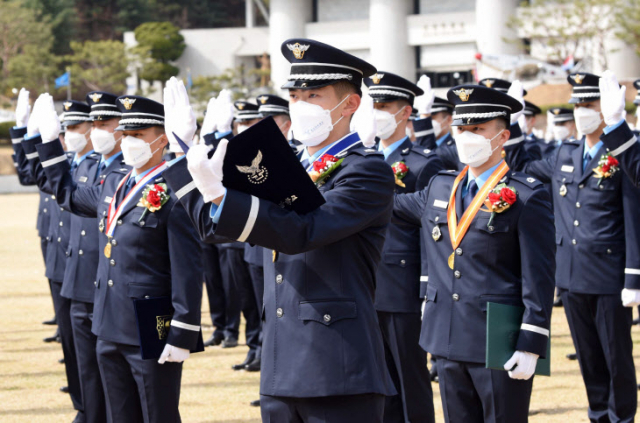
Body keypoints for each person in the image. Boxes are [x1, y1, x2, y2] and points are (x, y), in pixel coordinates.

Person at [164, 38, 396, 422]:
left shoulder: (366, 171)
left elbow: (302, 231)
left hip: (338, 368)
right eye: (295, 95)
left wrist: (220, 195)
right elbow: (211, 227)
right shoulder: (283, 162)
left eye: (315, 95)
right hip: (280, 365)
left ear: (350, 104)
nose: (301, 105)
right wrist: (183, 152)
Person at [33, 82, 204, 423]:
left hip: (150, 322)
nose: (129, 142)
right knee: (119, 414)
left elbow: (188, 267)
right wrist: (50, 144)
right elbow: (66, 194)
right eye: (126, 134)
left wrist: (184, 330)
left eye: (139, 134)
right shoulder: (115, 181)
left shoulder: (176, 190)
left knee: (157, 413)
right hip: (108, 321)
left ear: (162, 138)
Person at [393, 83, 555, 423]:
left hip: (497, 338)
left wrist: (532, 342)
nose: (468, 136)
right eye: (462, 128)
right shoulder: (440, 185)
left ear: (502, 136)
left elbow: (538, 277)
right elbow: (383, 206)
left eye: (478, 129)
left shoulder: (525, 196)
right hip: (446, 337)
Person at [504, 72, 640, 423]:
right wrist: (514, 123)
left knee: (616, 358)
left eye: (589, 104)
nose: (581, 111)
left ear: (604, 106)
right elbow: (518, 169)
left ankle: (621, 417)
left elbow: (633, 214)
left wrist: (634, 276)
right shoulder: (564, 152)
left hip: (609, 274)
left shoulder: (623, 151)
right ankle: (598, 414)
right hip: (570, 274)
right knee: (589, 358)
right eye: (577, 104)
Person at [365, 71, 442, 423]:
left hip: (402, 285)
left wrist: (427, 288)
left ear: (406, 112)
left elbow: (432, 233)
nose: (377, 111)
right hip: (364, 283)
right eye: (374, 104)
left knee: (410, 379)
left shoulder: (424, 164)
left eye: (385, 106)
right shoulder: (362, 159)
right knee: (378, 382)